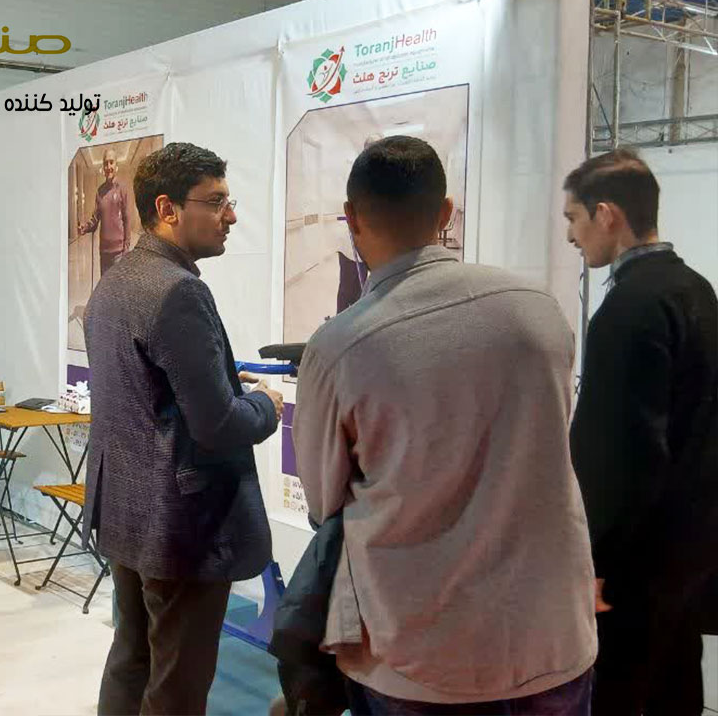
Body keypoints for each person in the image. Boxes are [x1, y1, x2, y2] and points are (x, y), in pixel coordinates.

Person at [292, 136, 597, 713]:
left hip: (418, 654)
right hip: (550, 640)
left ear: (351, 218)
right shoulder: (538, 309)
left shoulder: (339, 347)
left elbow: (323, 501)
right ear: (446, 212)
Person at [83, 142, 284, 715]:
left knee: (132, 658)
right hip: (181, 527)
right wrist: (266, 404)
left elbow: (148, 391)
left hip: (128, 512)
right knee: (178, 684)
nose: (232, 216)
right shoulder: (179, 290)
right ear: (167, 208)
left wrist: (219, 379)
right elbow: (218, 425)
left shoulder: (117, 281)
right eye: (216, 202)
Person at [564, 149, 718, 715]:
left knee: (619, 696)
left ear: (606, 214)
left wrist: (596, 562)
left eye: (573, 218)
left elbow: (623, 455)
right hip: (689, 553)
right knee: (677, 689)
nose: (571, 236)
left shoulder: (629, 308)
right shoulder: (696, 290)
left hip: (635, 568)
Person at [78, 149, 132, 276]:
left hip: (119, 252)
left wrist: (126, 248)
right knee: (105, 285)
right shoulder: (100, 191)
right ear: (103, 167)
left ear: (116, 165)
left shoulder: (122, 189)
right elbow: (95, 219)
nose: (108, 167)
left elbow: (127, 219)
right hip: (104, 252)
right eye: (106, 163)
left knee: (117, 286)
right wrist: (85, 228)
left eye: (111, 162)